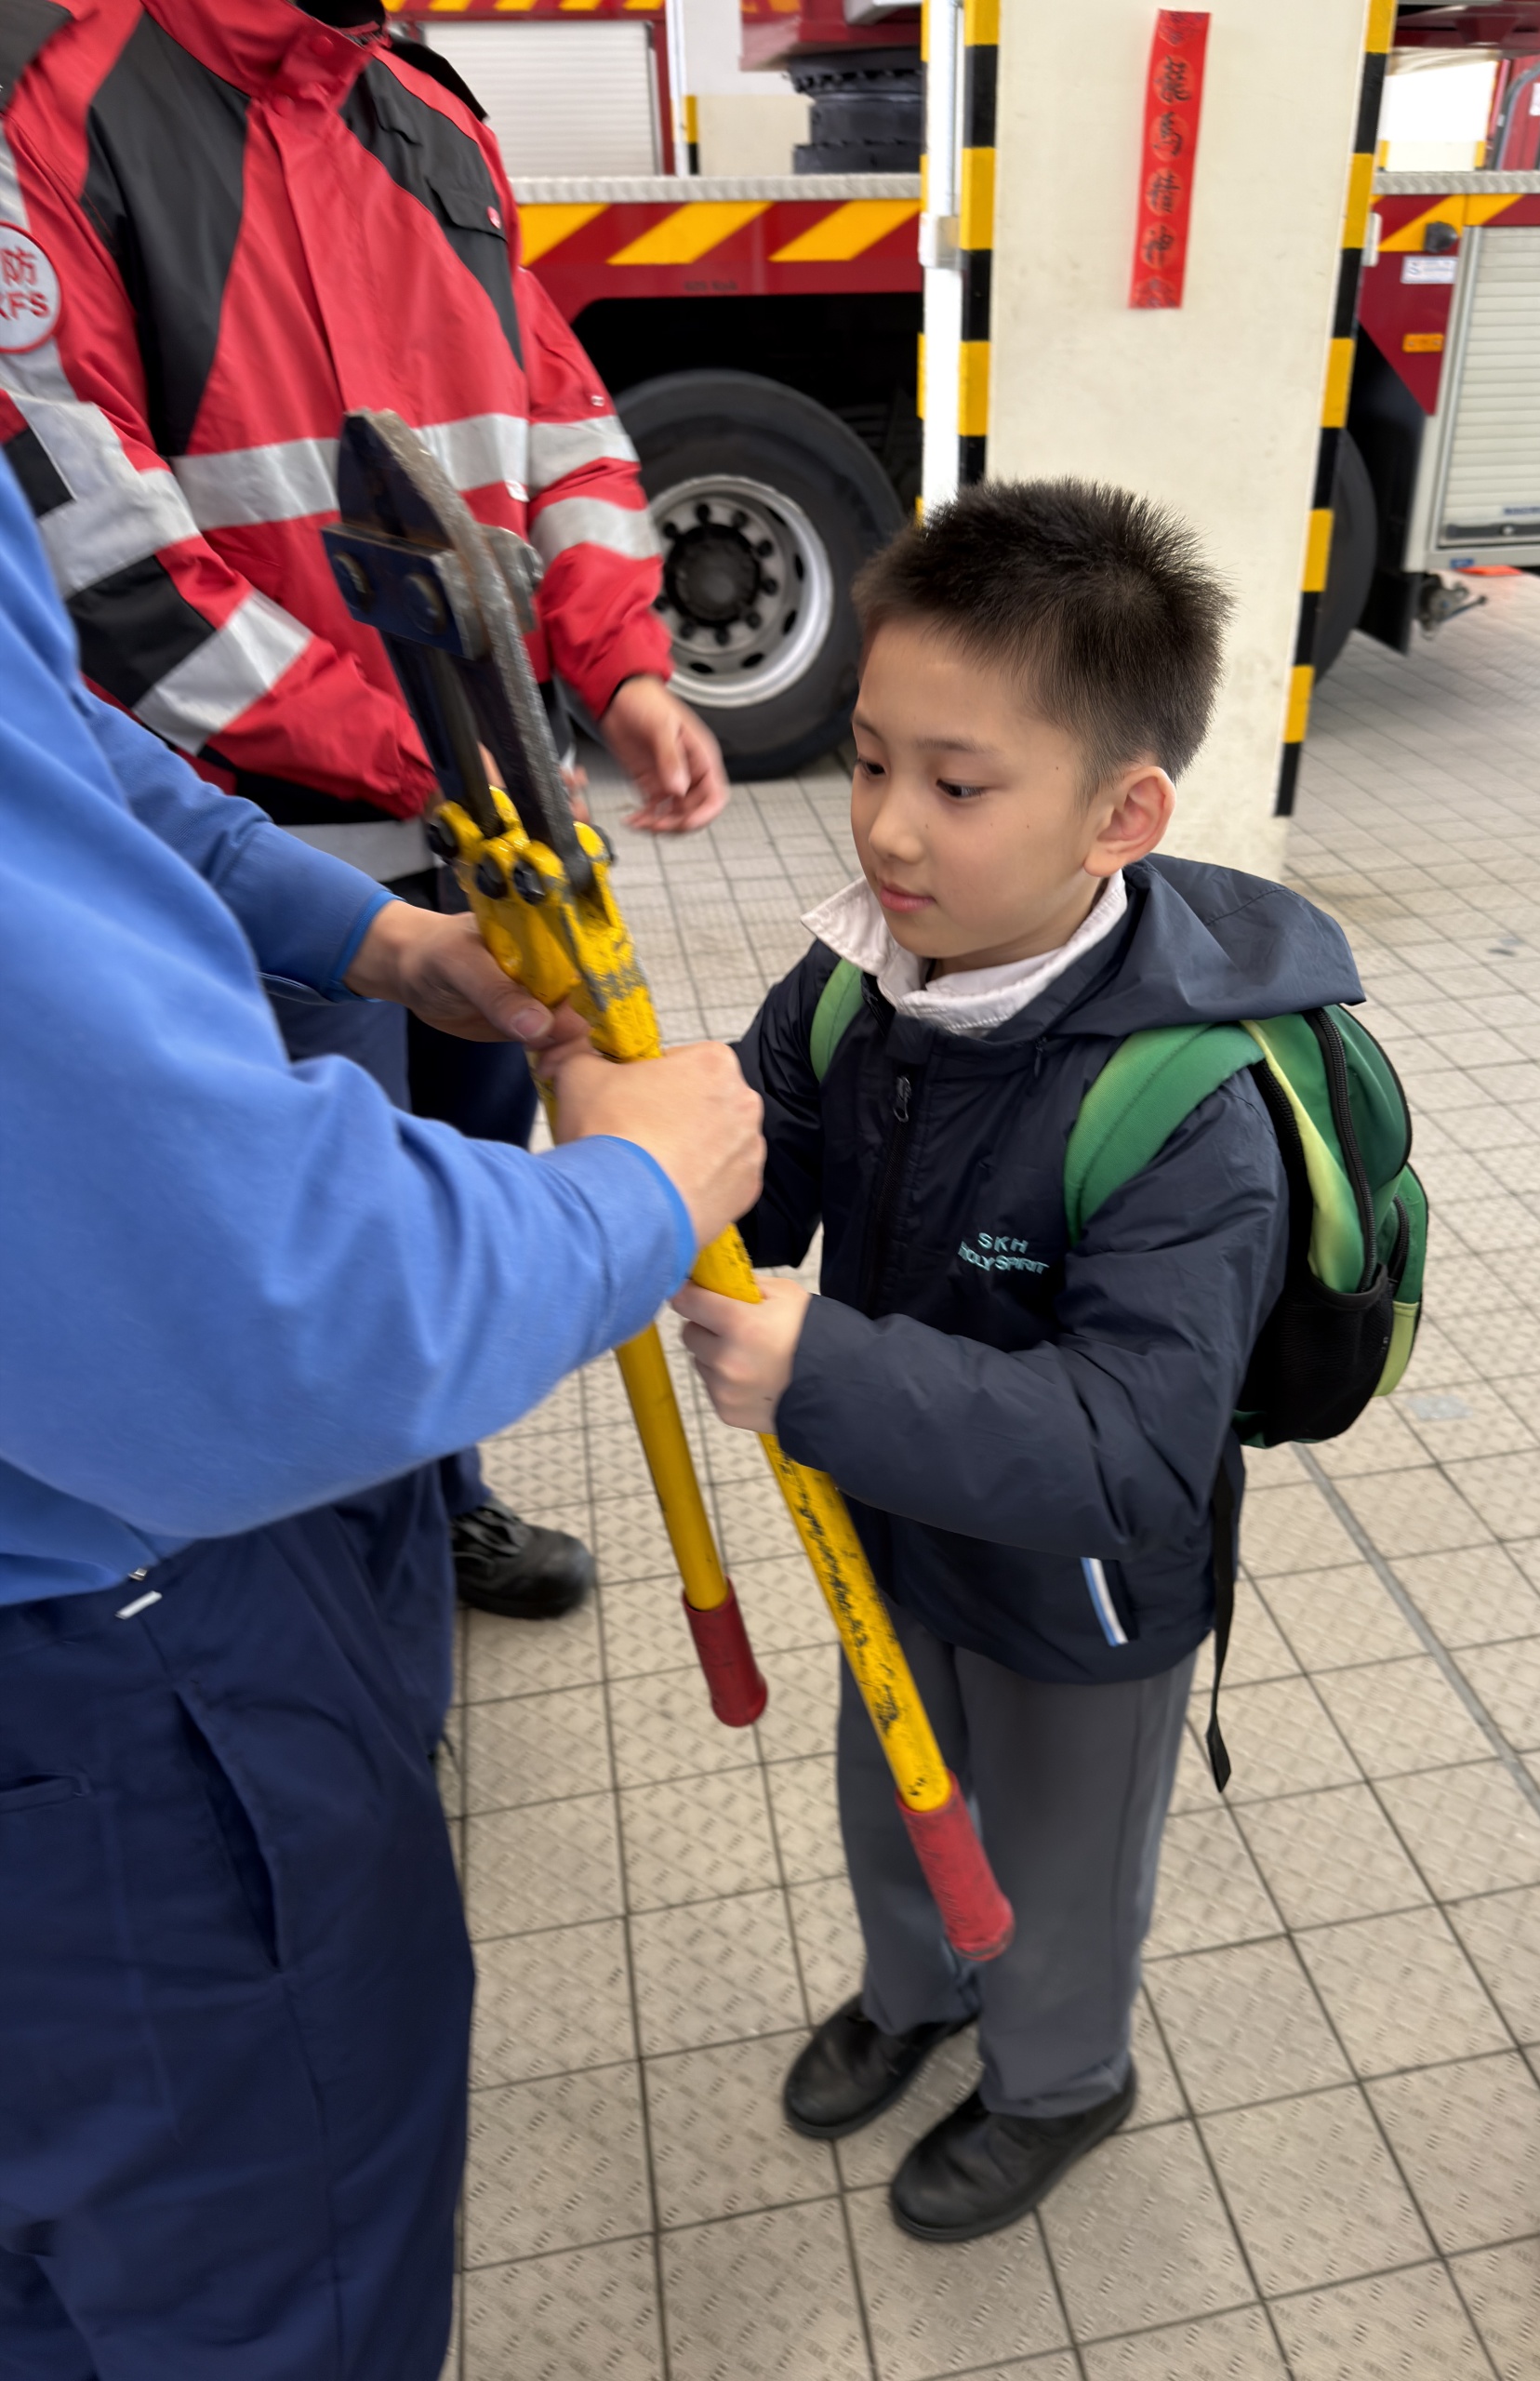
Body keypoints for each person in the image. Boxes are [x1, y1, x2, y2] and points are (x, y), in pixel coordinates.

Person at [0, 453, 762, 2377]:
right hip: (93, 1696)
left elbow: (58, 746)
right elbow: (280, 1315)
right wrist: (641, 1195)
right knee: (272, 2298)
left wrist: (375, 937)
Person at [672, 480, 1364, 2241]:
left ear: (1120, 814)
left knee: (1060, 1862)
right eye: (868, 759)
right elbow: (760, 1166)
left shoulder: (1185, 1104)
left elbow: (1133, 1449)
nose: (889, 829)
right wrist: (644, 1142)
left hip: (1088, 1602)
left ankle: (1061, 2076)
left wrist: (820, 1374)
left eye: (959, 786)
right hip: (894, 1527)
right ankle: (917, 1990)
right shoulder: (858, 986)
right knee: (893, 1788)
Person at [0, 0, 730, 1621]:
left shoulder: (429, 118)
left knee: (467, 1184)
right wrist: (422, 756)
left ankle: (430, 1516)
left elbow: (562, 420)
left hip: (491, 842)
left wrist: (619, 665)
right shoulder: (60, 105)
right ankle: (319, 1611)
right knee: (301, 1261)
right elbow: (107, 561)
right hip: (266, 844)